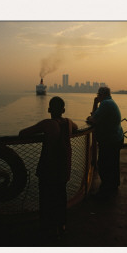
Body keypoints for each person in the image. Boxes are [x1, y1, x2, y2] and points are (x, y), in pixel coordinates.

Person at [19, 96, 78, 241]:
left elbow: (23, 133)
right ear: (63, 110)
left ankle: (48, 228)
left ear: (49, 109)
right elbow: (76, 128)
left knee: (46, 199)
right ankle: (61, 225)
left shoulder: (47, 124)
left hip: (48, 168)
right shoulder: (69, 123)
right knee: (61, 197)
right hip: (64, 168)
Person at [86, 86, 123, 196]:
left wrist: (89, 118)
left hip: (110, 140)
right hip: (117, 138)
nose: (97, 96)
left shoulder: (105, 104)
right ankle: (114, 185)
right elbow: (96, 115)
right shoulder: (109, 102)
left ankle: (105, 190)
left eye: (98, 95)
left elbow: (93, 119)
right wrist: (95, 104)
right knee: (113, 164)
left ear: (101, 95)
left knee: (104, 164)